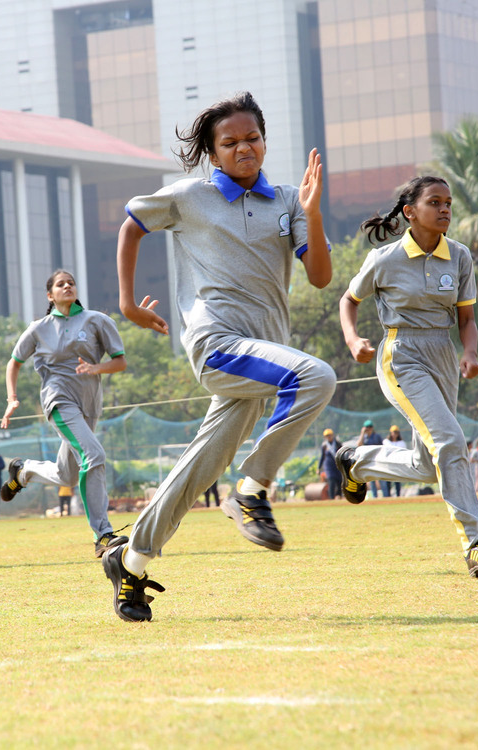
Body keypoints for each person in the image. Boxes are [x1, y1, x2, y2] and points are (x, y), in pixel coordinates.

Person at [101, 91, 336, 622]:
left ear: (264, 141)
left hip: (262, 356)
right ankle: (251, 490)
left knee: (200, 465)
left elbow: (320, 276)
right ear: (213, 153)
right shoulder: (189, 197)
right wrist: (124, 303)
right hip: (217, 346)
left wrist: (314, 213)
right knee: (316, 376)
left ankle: (130, 564)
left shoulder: (288, 202)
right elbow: (132, 224)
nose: (243, 148)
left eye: (252, 138)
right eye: (230, 143)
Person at [334, 175, 478, 578]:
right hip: (401, 355)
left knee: (428, 464)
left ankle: (356, 462)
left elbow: (466, 319)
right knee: (450, 440)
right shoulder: (385, 259)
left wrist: (469, 352)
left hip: (443, 355)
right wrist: (352, 339)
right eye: (435, 202)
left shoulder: (460, 257)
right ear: (410, 211)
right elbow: (349, 299)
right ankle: (475, 543)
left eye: (449, 202)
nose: (445, 209)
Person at [0, 269, 129, 559]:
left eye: (71, 283)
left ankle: (24, 471)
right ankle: (103, 534)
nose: (67, 286)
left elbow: (120, 362)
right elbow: (14, 362)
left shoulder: (97, 321)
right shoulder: (38, 328)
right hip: (59, 402)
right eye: (60, 284)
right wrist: (12, 399)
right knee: (94, 455)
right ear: (50, 295)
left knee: (67, 475)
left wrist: (97, 368)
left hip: (89, 405)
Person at [356, 420, 384, 498]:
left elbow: (383, 447)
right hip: (369, 462)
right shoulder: (364, 438)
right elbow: (359, 444)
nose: (369, 429)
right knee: (372, 480)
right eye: (367, 427)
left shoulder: (377, 436)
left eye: (370, 427)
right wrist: (362, 433)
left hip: (378, 460)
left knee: (382, 479)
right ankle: (375, 497)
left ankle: (386, 497)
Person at [380, 425, 406, 497]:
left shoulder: (402, 443)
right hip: (388, 465)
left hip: (397, 464)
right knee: (387, 482)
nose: (395, 434)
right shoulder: (386, 441)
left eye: (396, 432)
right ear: (391, 433)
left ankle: (398, 496)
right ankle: (388, 497)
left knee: (397, 482)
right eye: (394, 432)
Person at [318, 428, 343, 501]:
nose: (329, 437)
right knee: (331, 481)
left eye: (330, 435)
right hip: (329, 467)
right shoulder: (324, 446)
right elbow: (322, 457)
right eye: (327, 436)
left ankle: (338, 496)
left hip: (337, 465)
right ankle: (331, 498)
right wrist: (319, 468)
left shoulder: (338, 444)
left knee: (339, 482)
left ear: (333, 435)